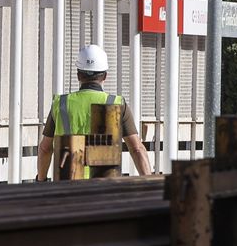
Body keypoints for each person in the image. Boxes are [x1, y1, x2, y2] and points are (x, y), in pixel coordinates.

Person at [36, 44, 153, 180]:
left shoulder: (61, 104)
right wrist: (149, 183)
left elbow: (45, 149)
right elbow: (137, 149)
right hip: (104, 187)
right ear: (105, 76)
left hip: (67, 186)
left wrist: (41, 180)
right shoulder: (116, 103)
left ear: (78, 75)